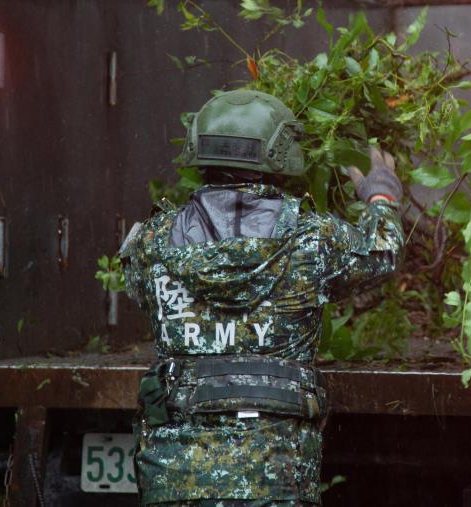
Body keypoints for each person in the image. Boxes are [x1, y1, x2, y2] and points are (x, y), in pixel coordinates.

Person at [121, 89, 405, 506]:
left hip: (173, 481)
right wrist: (381, 195)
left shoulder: (151, 243)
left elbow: (137, 289)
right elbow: (382, 252)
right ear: (282, 154)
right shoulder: (313, 240)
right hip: (277, 480)